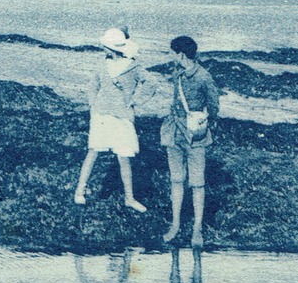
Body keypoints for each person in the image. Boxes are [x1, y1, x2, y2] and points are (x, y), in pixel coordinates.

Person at [74, 28, 160, 212]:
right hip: (101, 115)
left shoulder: (133, 66)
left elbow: (151, 83)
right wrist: (93, 106)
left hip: (122, 116)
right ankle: (79, 192)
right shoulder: (102, 65)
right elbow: (92, 86)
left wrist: (135, 100)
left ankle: (129, 198)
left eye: (104, 46)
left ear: (109, 48)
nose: (103, 49)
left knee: (124, 156)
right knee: (94, 151)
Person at [161, 35, 221, 247]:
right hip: (174, 134)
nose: (170, 56)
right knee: (176, 180)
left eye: (172, 53)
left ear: (181, 55)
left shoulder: (204, 77)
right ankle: (175, 224)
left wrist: (203, 124)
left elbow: (214, 107)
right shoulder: (177, 74)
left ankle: (197, 230)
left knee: (197, 183)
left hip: (196, 136)